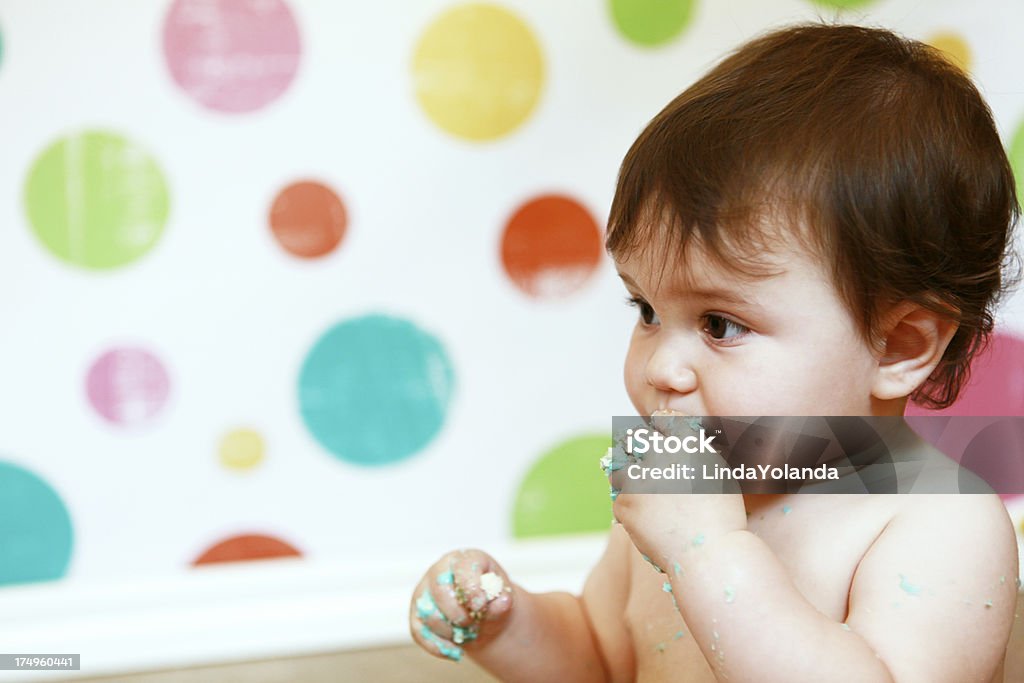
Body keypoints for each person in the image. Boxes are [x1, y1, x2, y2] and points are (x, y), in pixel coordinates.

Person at [409, 23, 1021, 682]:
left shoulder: (940, 524)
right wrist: (509, 625)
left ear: (897, 345)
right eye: (645, 310)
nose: (660, 369)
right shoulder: (678, 491)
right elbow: (602, 656)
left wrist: (709, 556)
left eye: (721, 324)